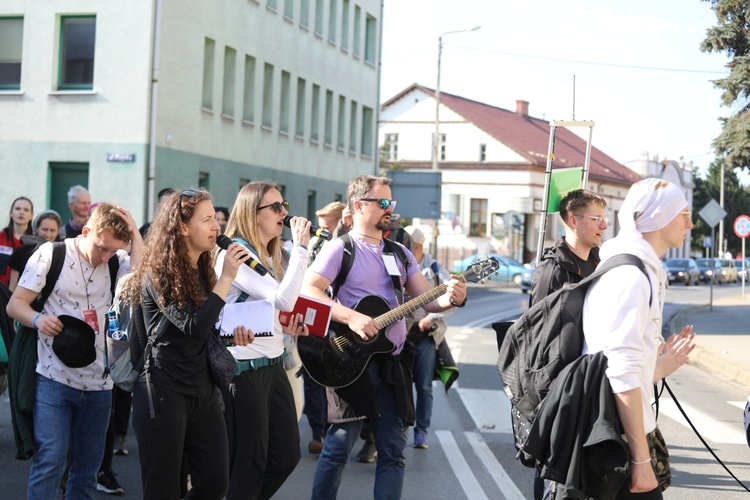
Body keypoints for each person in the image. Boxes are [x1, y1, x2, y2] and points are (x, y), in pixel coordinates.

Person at [303, 175, 467, 499]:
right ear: (359, 206)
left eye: (391, 202)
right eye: (382, 203)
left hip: (392, 366)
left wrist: (454, 297)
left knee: (393, 452)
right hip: (347, 362)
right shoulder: (341, 248)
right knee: (338, 449)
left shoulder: (400, 253)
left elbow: (430, 300)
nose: (389, 209)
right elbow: (309, 291)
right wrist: (351, 317)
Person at [6, 202, 142, 500]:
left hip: (100, 385)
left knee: (86, 470)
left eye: (112, 250)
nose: (104, 257)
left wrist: (133, 231)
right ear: (86, 231)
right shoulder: (50, 254)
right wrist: (39, 319)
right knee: (50, 461)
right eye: (101, 248)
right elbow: (14, 305)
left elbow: (143, 276)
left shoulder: (117, 261)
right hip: (53, 378)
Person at [122, 188, 239, 499]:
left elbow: (205, 328)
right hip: (162, 390)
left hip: (202, 389)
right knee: (164, 488)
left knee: (215, 483)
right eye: (208, 219)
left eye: (216, 218)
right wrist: (226, 278)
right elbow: (191, 327)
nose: (217, 226)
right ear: (183, 227)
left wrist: (232, 334)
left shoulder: (202, 269)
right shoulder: (158, 272)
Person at [582, 178, 696, 498]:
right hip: (615, 442)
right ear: (659, 218)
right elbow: (620, 372)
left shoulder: (638, 268)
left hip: (614, 435)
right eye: (682, 213)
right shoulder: (631, 276)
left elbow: (617, 362)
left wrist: (657, 368)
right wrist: (641, 459)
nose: (689, 223)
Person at [216, 181, 309, 499]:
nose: (284, 212)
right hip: (244, 370)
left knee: (286, 456)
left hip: (272, 364)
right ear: (254, 213)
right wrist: (302, 248)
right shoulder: (238, 253)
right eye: (276, 207)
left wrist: (288, 328)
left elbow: (277, 307)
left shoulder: (271, 255)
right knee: (250, 463)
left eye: (284, 205)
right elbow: (283, 298)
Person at [402, 225, 456, 450]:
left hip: (424, 337)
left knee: (423, 387)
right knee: (400, 386)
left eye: (406, 246)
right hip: (400, 337)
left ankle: (421, 432)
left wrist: (431, 317)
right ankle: (400, 429)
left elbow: (450, 298)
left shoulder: (434, 268)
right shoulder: (399, 262)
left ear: (416, 246)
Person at [304, 201, 345, 455]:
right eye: (319, 226)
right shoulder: (314, 244)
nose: (321, 232)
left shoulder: (344, 245)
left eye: (326, 227)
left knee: (335, 374)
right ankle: (317, 430)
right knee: (311, 372)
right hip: (312, 312)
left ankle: (333, 427)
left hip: (338, 315)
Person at [530, 189, 607, 306]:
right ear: (573, 221)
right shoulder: (551, 272)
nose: (604, 226)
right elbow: (541, 323)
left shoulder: (602, 264)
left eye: (604, 219)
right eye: (597, 219)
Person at [0, 196, 34, 287]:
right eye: (18, 209)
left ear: (31, 215)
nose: (21, 212)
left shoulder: (35, 243)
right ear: (11, 213)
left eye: (26, 210)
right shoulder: (1, 237)